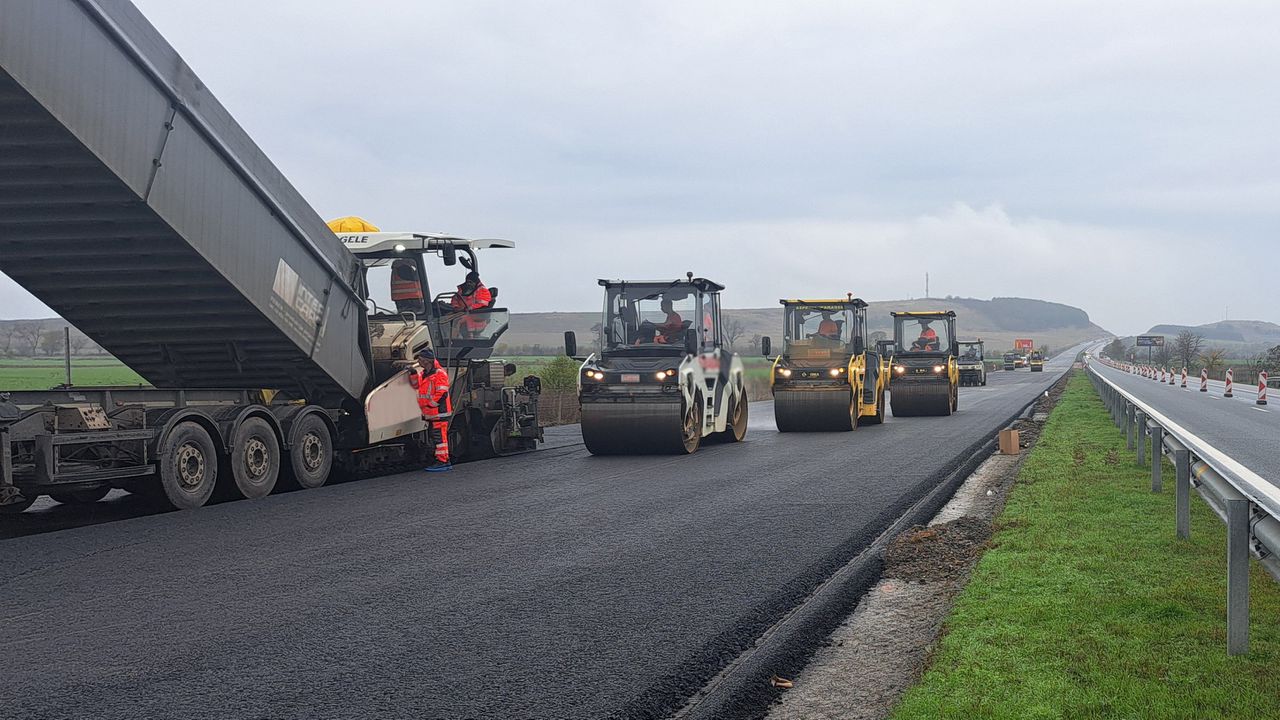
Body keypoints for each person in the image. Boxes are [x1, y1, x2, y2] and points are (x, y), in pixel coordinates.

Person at [409, 348, 452, 472]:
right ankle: (442, 460)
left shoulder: (439, 373)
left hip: (439, 412)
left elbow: (442, 393)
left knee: (440, 437)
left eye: (420, 360)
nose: (418, 362)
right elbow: (416, 385)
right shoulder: (424, 374)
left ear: (426, 361)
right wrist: (412, 373)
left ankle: (443, 461)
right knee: (436, 436)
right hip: (431, 413)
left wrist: (431, 405)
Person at [448, 271, 493, 337]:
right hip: (461, 314)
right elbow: (455, 299)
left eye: (471, 282)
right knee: (446, 319)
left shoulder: (482, 291)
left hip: (475, 316)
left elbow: (482, 304)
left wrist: (468, 308)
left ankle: (452, 340)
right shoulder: (462, 290)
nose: (469, 284)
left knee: (457, 321)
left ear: (475, 282)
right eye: (467, 281)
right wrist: (456, 307)